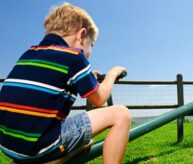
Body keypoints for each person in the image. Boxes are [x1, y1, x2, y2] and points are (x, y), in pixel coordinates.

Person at [0, 2, 130, 163]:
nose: (89, 53)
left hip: (10, 147)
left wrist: (90, 78)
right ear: (81, 35)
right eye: (91, 45)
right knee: (121, 114)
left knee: (80, 137)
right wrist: (112, 74)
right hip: (41, 147)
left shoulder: (28, 54)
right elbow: (98, 99)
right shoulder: (74, 56)